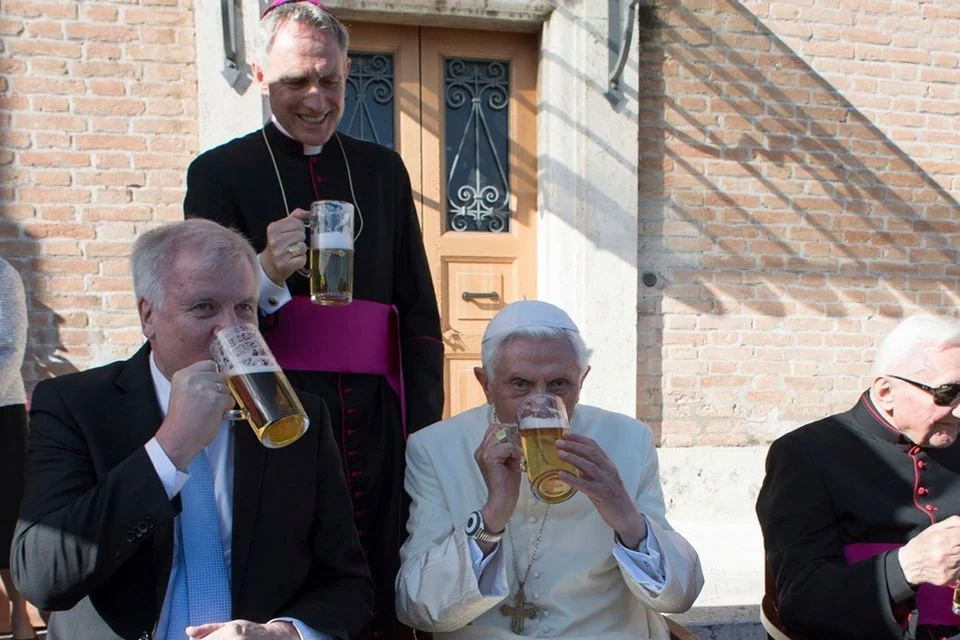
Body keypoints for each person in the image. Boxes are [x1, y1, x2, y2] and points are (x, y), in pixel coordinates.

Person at [183, 3, 442, 636]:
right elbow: (202, 313)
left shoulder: (383, 170)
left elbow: (418, 308)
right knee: (289, 569)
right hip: (274, 408)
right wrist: (265, 271)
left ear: (347, 72)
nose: (317, 98)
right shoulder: (218, 173)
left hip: (377, 415)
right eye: (298, 80)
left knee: (384, 569)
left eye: (330, 79)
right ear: (261, 74)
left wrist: (424, 430)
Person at [11, 219, 372, 640]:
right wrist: (169, 450)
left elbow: (349, 581)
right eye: (204, 307)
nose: (230, 328)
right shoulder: (75, 405)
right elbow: (41, 578)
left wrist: (285, 633)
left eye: (244, 308)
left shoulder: (299, 417)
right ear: (148, 315)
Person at [395, 300, 704, 638]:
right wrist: (491, 516)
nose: (539, 405)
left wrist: (625, 514)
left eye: (559, 384)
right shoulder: (434, 448)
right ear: (486, 384)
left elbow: (679, 596)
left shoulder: (630, 439)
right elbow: (417, 607)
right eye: (520, 385)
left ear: (582, 380)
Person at [757, 314, 960, 639]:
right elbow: (800, 601)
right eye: (948, 393)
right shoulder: (805, 455)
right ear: (885, 392)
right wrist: (907, 567)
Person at [0, 257, 36, 640]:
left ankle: (21, 612)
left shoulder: (3, 274)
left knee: (6, 516)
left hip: (1, 412)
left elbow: (11, 348)